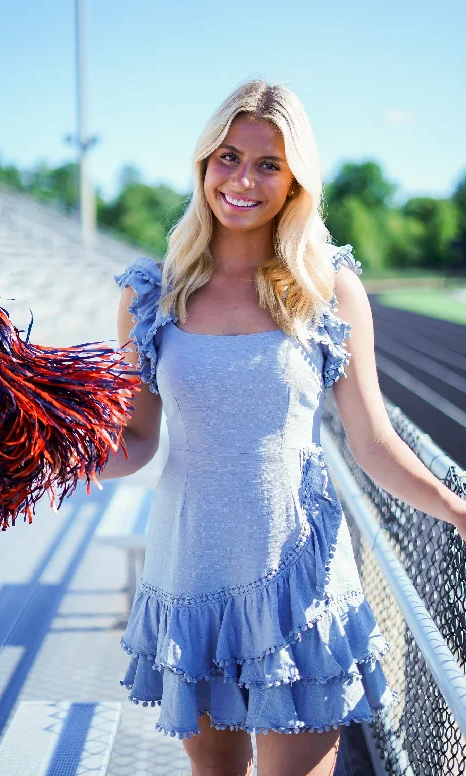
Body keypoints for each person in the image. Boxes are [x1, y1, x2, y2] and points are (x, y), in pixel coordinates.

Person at [100, 79, 466, 776]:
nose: (242, 179)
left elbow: (371, 440)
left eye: (268, 164)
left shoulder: (326, 285)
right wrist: (63, 456)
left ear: (296, 181)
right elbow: (136, 440)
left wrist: (454, 510)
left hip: (298, 588)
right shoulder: (151, 292)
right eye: (228, 157)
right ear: (203, 163)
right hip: (189, 577)